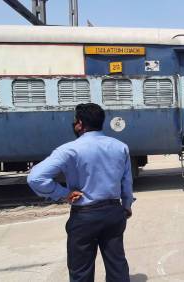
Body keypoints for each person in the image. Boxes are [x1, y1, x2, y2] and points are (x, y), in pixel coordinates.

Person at [27, 103, 133, 282]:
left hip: (84, 216)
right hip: (114, 213)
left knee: (81, 270)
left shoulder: (69, 150)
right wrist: (127, 206)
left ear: (80, 124)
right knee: (117, 266)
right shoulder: (120, 147)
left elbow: (35, 178)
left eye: (75, 120)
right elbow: (126, 182)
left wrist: (63, 193)